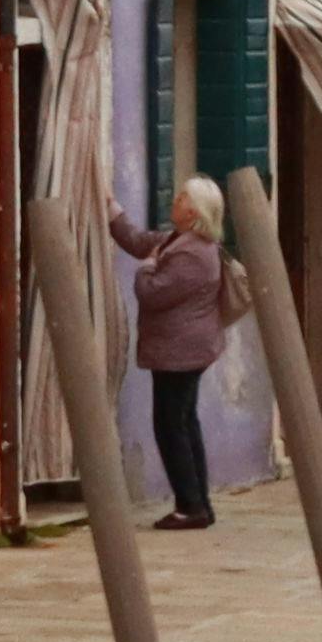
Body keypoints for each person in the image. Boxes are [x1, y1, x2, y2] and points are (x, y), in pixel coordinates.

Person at [111, 170, 237, 530]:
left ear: (194, 213)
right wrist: (110, 208)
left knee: (171, 426)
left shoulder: (193, 255)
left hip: (181, 353)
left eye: (183, 197)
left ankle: (190, 506)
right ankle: (198, 503)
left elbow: (152, 293)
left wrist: (147, 267)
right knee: (184, 421)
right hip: (183, 350)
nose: (176, 200)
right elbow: (137, 240)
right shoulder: (177, 240)